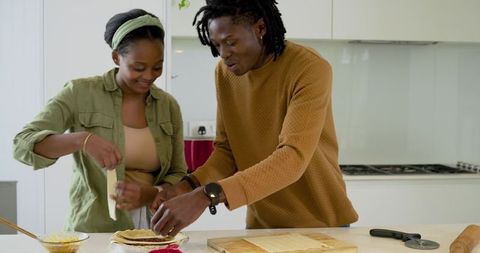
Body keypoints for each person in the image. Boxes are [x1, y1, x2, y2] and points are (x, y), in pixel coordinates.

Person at [150, 0, 358, 236]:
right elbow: (227, 152)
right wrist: (186, 187)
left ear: (260, 29)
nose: (223, 54)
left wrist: (206, 195)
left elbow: (292, 158)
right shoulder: (224, 74)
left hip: (321, 224)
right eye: (216, 44)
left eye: (231, 42)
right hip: (261, 225)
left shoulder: (309, 67)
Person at [13, 9, 186, 232]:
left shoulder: (168, 106)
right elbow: (22, 144)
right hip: (94, 231)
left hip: (157, 228)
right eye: (138, 67)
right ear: (116, 57)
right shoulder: (80, 92)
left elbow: (178, 172)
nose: (149, 76)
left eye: (157, 67)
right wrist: (82, 140)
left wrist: (154, 193)